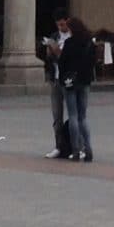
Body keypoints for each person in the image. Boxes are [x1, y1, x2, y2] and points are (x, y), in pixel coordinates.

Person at [56, 13, 98, 164]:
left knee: (73, 116)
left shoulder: (69, 43)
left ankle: (75, 150)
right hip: (85, 82)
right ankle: (88, 148)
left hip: (70, 82)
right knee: (83, 117)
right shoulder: (90, 43)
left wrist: (62, 79)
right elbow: (93, 62)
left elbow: (62, 63)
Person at [43, 17, 76, 158]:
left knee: (73, 115)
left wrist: (57, 51)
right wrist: (50, 49)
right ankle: (59, 146)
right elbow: (50, 58)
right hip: (56, 78)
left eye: (63, 24)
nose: (61, 27)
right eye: (58, 25)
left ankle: (75, 147)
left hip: (69, 80)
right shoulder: (55, 36)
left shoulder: (73, 37)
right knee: (57, 115)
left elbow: (67, 57)